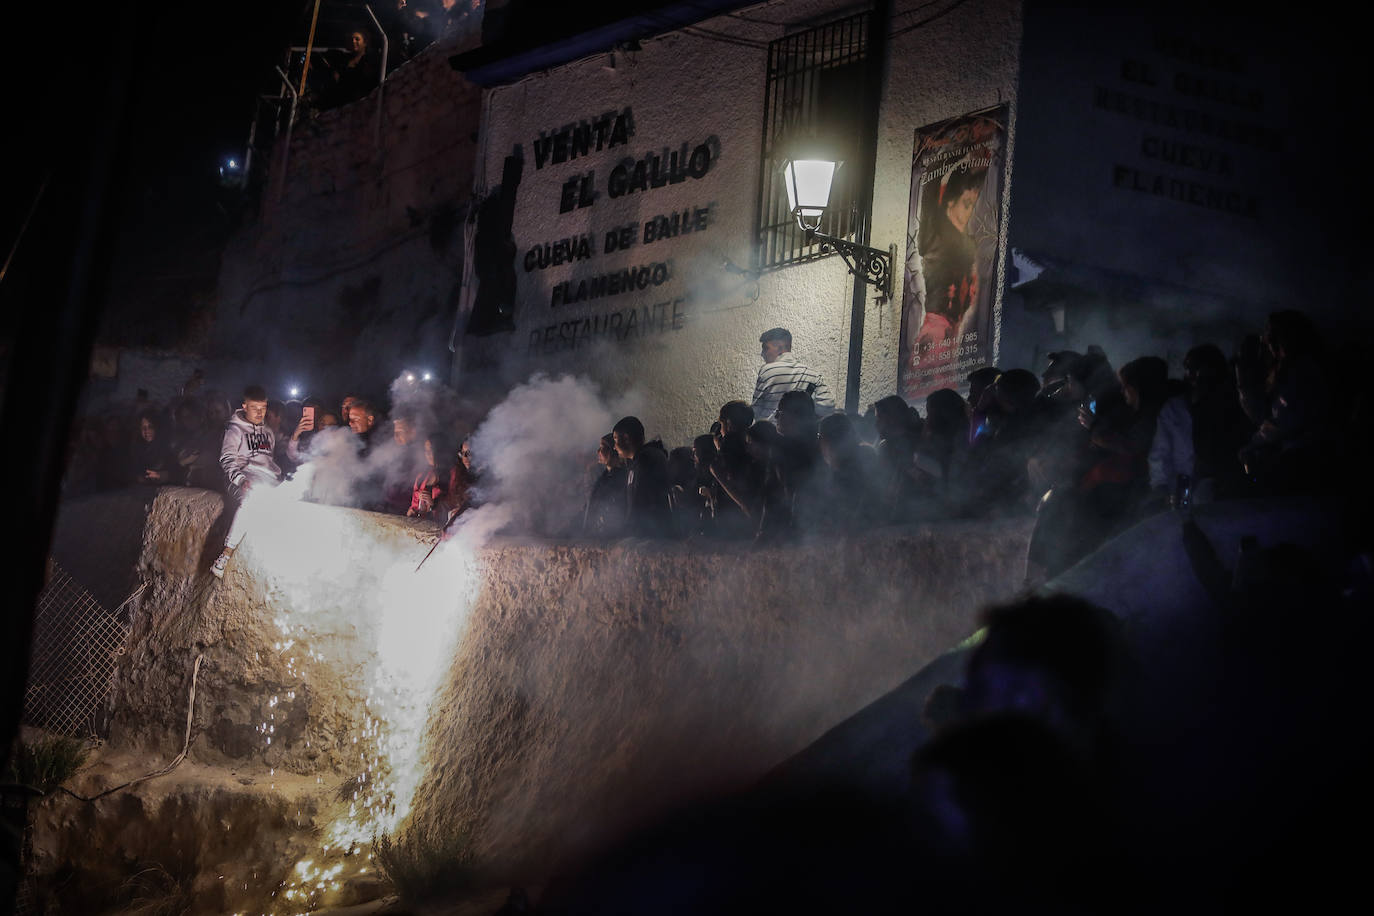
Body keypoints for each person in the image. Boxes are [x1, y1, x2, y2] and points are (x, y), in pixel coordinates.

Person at [212, 386, 284, 579]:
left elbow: (269, 462)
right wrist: (241, 479)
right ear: (244, 406)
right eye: (255, 408)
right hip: (240, 477)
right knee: (251, 500)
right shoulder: (233, 429)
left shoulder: (268, 432)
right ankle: (226, 554)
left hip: (265, 478)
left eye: (264, 407)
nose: (260, 412)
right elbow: (227, 460)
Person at [751, 327, 835, 421]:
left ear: (780, 347)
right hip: (801, 434)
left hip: (769, 434)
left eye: (766, 348)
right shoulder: (813, 376)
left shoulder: (766, 370)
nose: (762, 354)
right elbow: (827, 407)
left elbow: (755, 411)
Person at [612, 416, 672, 538]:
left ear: (626, 439)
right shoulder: (636, 462)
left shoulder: (646, 459)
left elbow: (641, 502)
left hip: (652, 535)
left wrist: (631, 532)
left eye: (615, 439)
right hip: (645, 532)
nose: (614, 446)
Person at [584, 433, 628, 536]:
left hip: (612, 534)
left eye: (602, 448)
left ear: (613, 451)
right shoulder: (604, 477)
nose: (598, 451)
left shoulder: (620, 477)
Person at [128, 410, 174, 486]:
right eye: (143, 427)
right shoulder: (136, 448)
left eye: (150, 427)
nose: (147, 431)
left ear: (156, 427)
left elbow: (176, 472)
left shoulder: (167, 447)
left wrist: (161, 476)